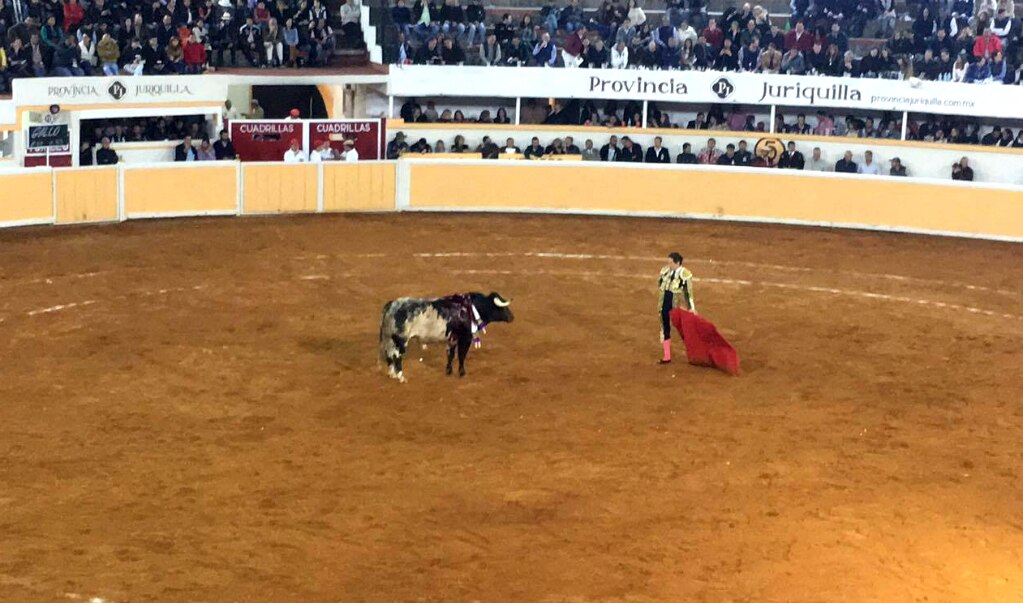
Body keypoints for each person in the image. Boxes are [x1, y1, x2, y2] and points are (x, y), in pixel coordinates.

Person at [657, 252, 695, 365]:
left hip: (676, 306)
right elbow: (660, 284)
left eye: (670, 263)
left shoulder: (685, 274)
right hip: (664, 303)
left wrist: (691, 308)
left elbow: (688, 293)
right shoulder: (665, 271)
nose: (668, 265)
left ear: (677, 263)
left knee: (684, 330)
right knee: (665, 328)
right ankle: (666, 356)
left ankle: (693, 352)